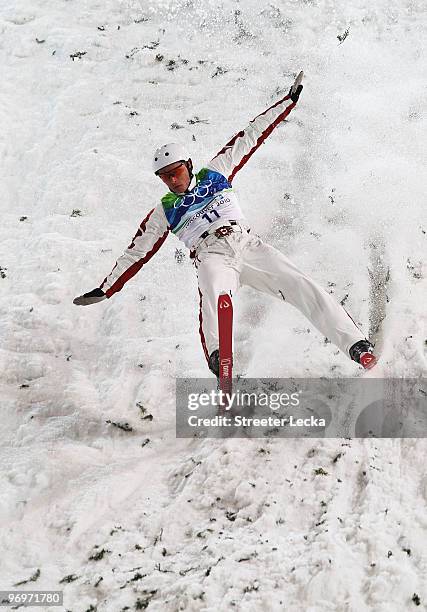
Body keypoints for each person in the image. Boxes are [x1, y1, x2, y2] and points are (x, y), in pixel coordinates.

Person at [73, 73, 377, 375]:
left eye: (175, 171)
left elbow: (251, 135)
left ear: (188, 165)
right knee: (216, 292)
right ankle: (220, 357)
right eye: (164, 176)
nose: (172, 180)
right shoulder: (164, 210)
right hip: (211, 254)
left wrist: (289, 101)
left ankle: (358, 347)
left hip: (248, 244)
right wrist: (106, 289)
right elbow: (136, 252)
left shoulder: (216, 172)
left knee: (302, 286)